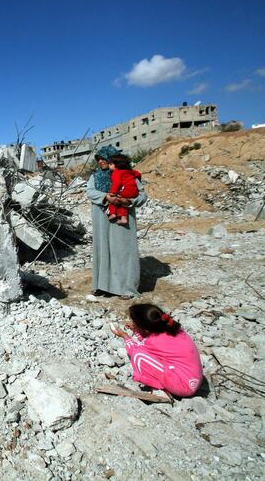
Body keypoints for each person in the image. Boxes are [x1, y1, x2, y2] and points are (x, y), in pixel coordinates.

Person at [86, 145, 147, 298]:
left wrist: (128, 201)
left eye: (103, 159)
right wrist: (106, 197)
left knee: (123, 251)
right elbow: (90, 192)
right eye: (98, 159)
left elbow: (142, 195)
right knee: (103, 250)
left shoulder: (127, 174)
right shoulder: (95, 176)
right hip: (101, 218)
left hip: (122, 219)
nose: (100, 162)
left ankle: (127, 288)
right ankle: (102, 286)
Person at [110, 303, 203, 398]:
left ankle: (160, 389)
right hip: (193, 378)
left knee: (138, 356)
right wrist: (137, 330)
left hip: (184, 387)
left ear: (145, 330)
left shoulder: (152, 341)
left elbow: (135, 350)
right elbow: (151, 343)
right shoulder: (171, 328)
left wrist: (125, 336)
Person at [106, 154, 142, 226]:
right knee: (123, 203)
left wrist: (112, 193)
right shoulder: (130, 171)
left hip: (125, 191)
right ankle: (123, 218)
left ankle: (112, 213)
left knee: (114, 200)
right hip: (134, 192)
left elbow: (117, 183)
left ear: (116, 165)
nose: (109, 166)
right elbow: (138, 174)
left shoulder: (116, 172)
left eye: (110, 164)